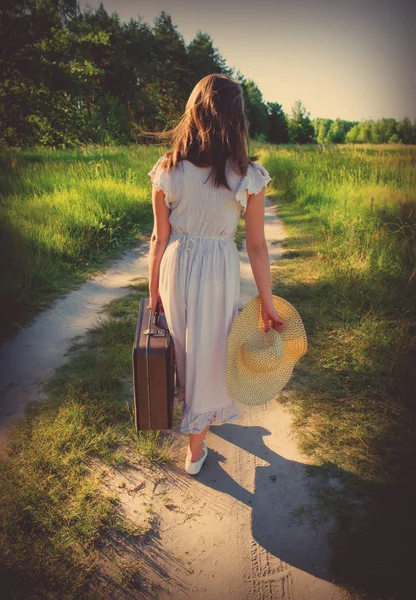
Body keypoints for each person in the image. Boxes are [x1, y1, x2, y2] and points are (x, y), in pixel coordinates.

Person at [147, 73, 285, 474]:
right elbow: (256, 246)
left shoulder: (168, 169)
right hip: (218, 271)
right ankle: (194, 451)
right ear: (236, 120)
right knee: (209, 352)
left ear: (194, 113)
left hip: (177, 264)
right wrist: (267, 303)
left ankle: (195, 427)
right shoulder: (247, 176)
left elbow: (159, 237)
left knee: (182, 344)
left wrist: (152, 289)